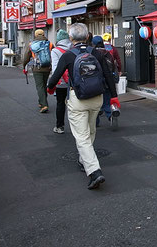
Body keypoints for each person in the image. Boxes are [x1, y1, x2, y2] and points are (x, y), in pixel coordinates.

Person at [47, 23, 120, 190]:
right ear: (87, 37)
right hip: (97, 98)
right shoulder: (97, 53)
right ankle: (83, 160)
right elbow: (108, 74)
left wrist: (50, 89)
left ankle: (94, 171)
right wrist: (114, 97)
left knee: (82, 137)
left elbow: (55, 76)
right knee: (90, 130)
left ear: (71, 38)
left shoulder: (68, 55)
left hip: (78, 99)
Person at [22, 29, 53, 113]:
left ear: (35, 35)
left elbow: (26, 57)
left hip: (37, 68)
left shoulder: (31, 45)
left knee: (40, 86)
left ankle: (44, 105)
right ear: (43, 35)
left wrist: (24, 66)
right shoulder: (49, 44)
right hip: (47, 68)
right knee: (44, 84)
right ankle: (41, 101)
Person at [93, 36, 118, 127]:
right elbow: (114, 66)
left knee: (95, 103)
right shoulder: (108, 53)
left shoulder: (93, 54)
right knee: (107, 102)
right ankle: (110, 115)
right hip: (108, 82)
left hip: (96, 82)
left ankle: (95, 122)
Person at [50, 29, 71, 134]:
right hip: (74, 82)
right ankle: (76, 126)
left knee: (60, 103)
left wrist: (52, 83)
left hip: (61, 83)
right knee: (74, 104)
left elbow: (55, 69)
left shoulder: (55, 51)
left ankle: (60, 126)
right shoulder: (73, 48)